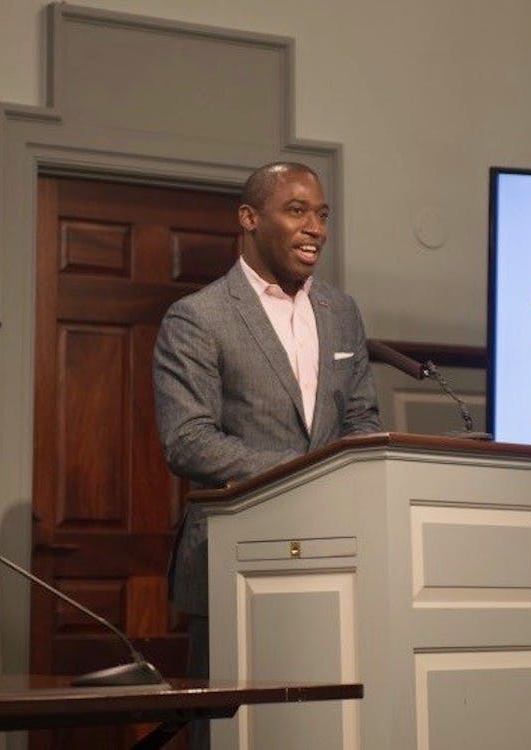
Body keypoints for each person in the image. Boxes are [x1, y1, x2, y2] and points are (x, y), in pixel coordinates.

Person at [152, 162, 380, 744]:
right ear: (249, 218)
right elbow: (188, 440)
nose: (315, 229)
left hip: (334, 557)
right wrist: (306, 475)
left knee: (321, 727)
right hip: (234, 557)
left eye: (322, 214)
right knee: (232, 733)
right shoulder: (198, 317)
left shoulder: (341, 312)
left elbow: (362, 421)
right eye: (296, 211)